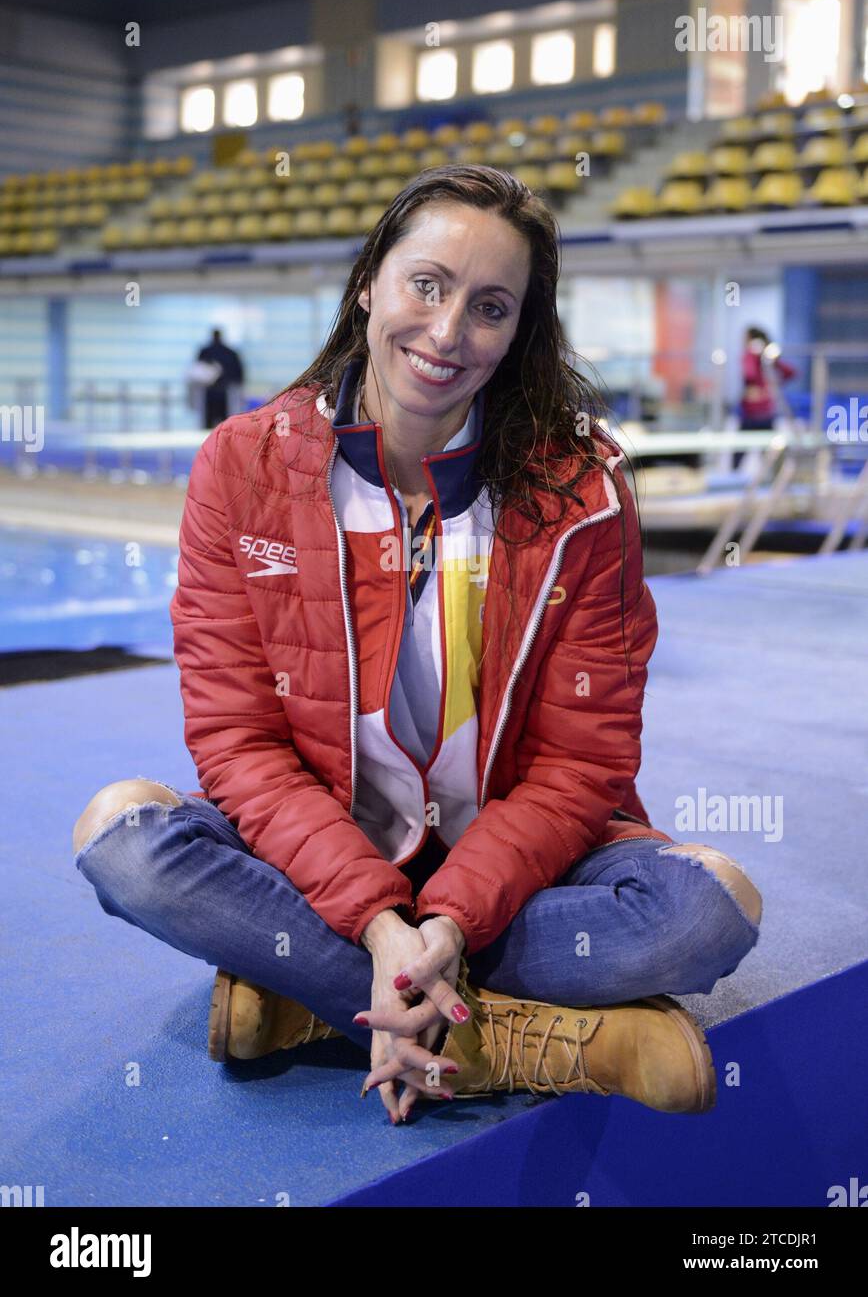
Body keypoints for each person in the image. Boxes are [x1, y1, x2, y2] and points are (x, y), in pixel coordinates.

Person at [72, 165, 762, 1125]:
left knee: (711, 909)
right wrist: (377, 917)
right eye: (426, 285)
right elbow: (240, 746)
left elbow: (581, 765)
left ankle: (319, 1003)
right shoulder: (243, 466)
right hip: (325, 857)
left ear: (520, 330)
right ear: (370, 284)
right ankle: (510, 1037)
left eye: (489, 307)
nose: (446, 334)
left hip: (518, 874)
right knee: (123, 840)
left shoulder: (580, 492)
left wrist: (445, 918)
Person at [191, 328, 245, 429]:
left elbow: (197, 373)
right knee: (224, 424)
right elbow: (239, 376)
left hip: (209, 393)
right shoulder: (230, 353)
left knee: (207, 425)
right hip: (225, 392)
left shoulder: (205, 352)